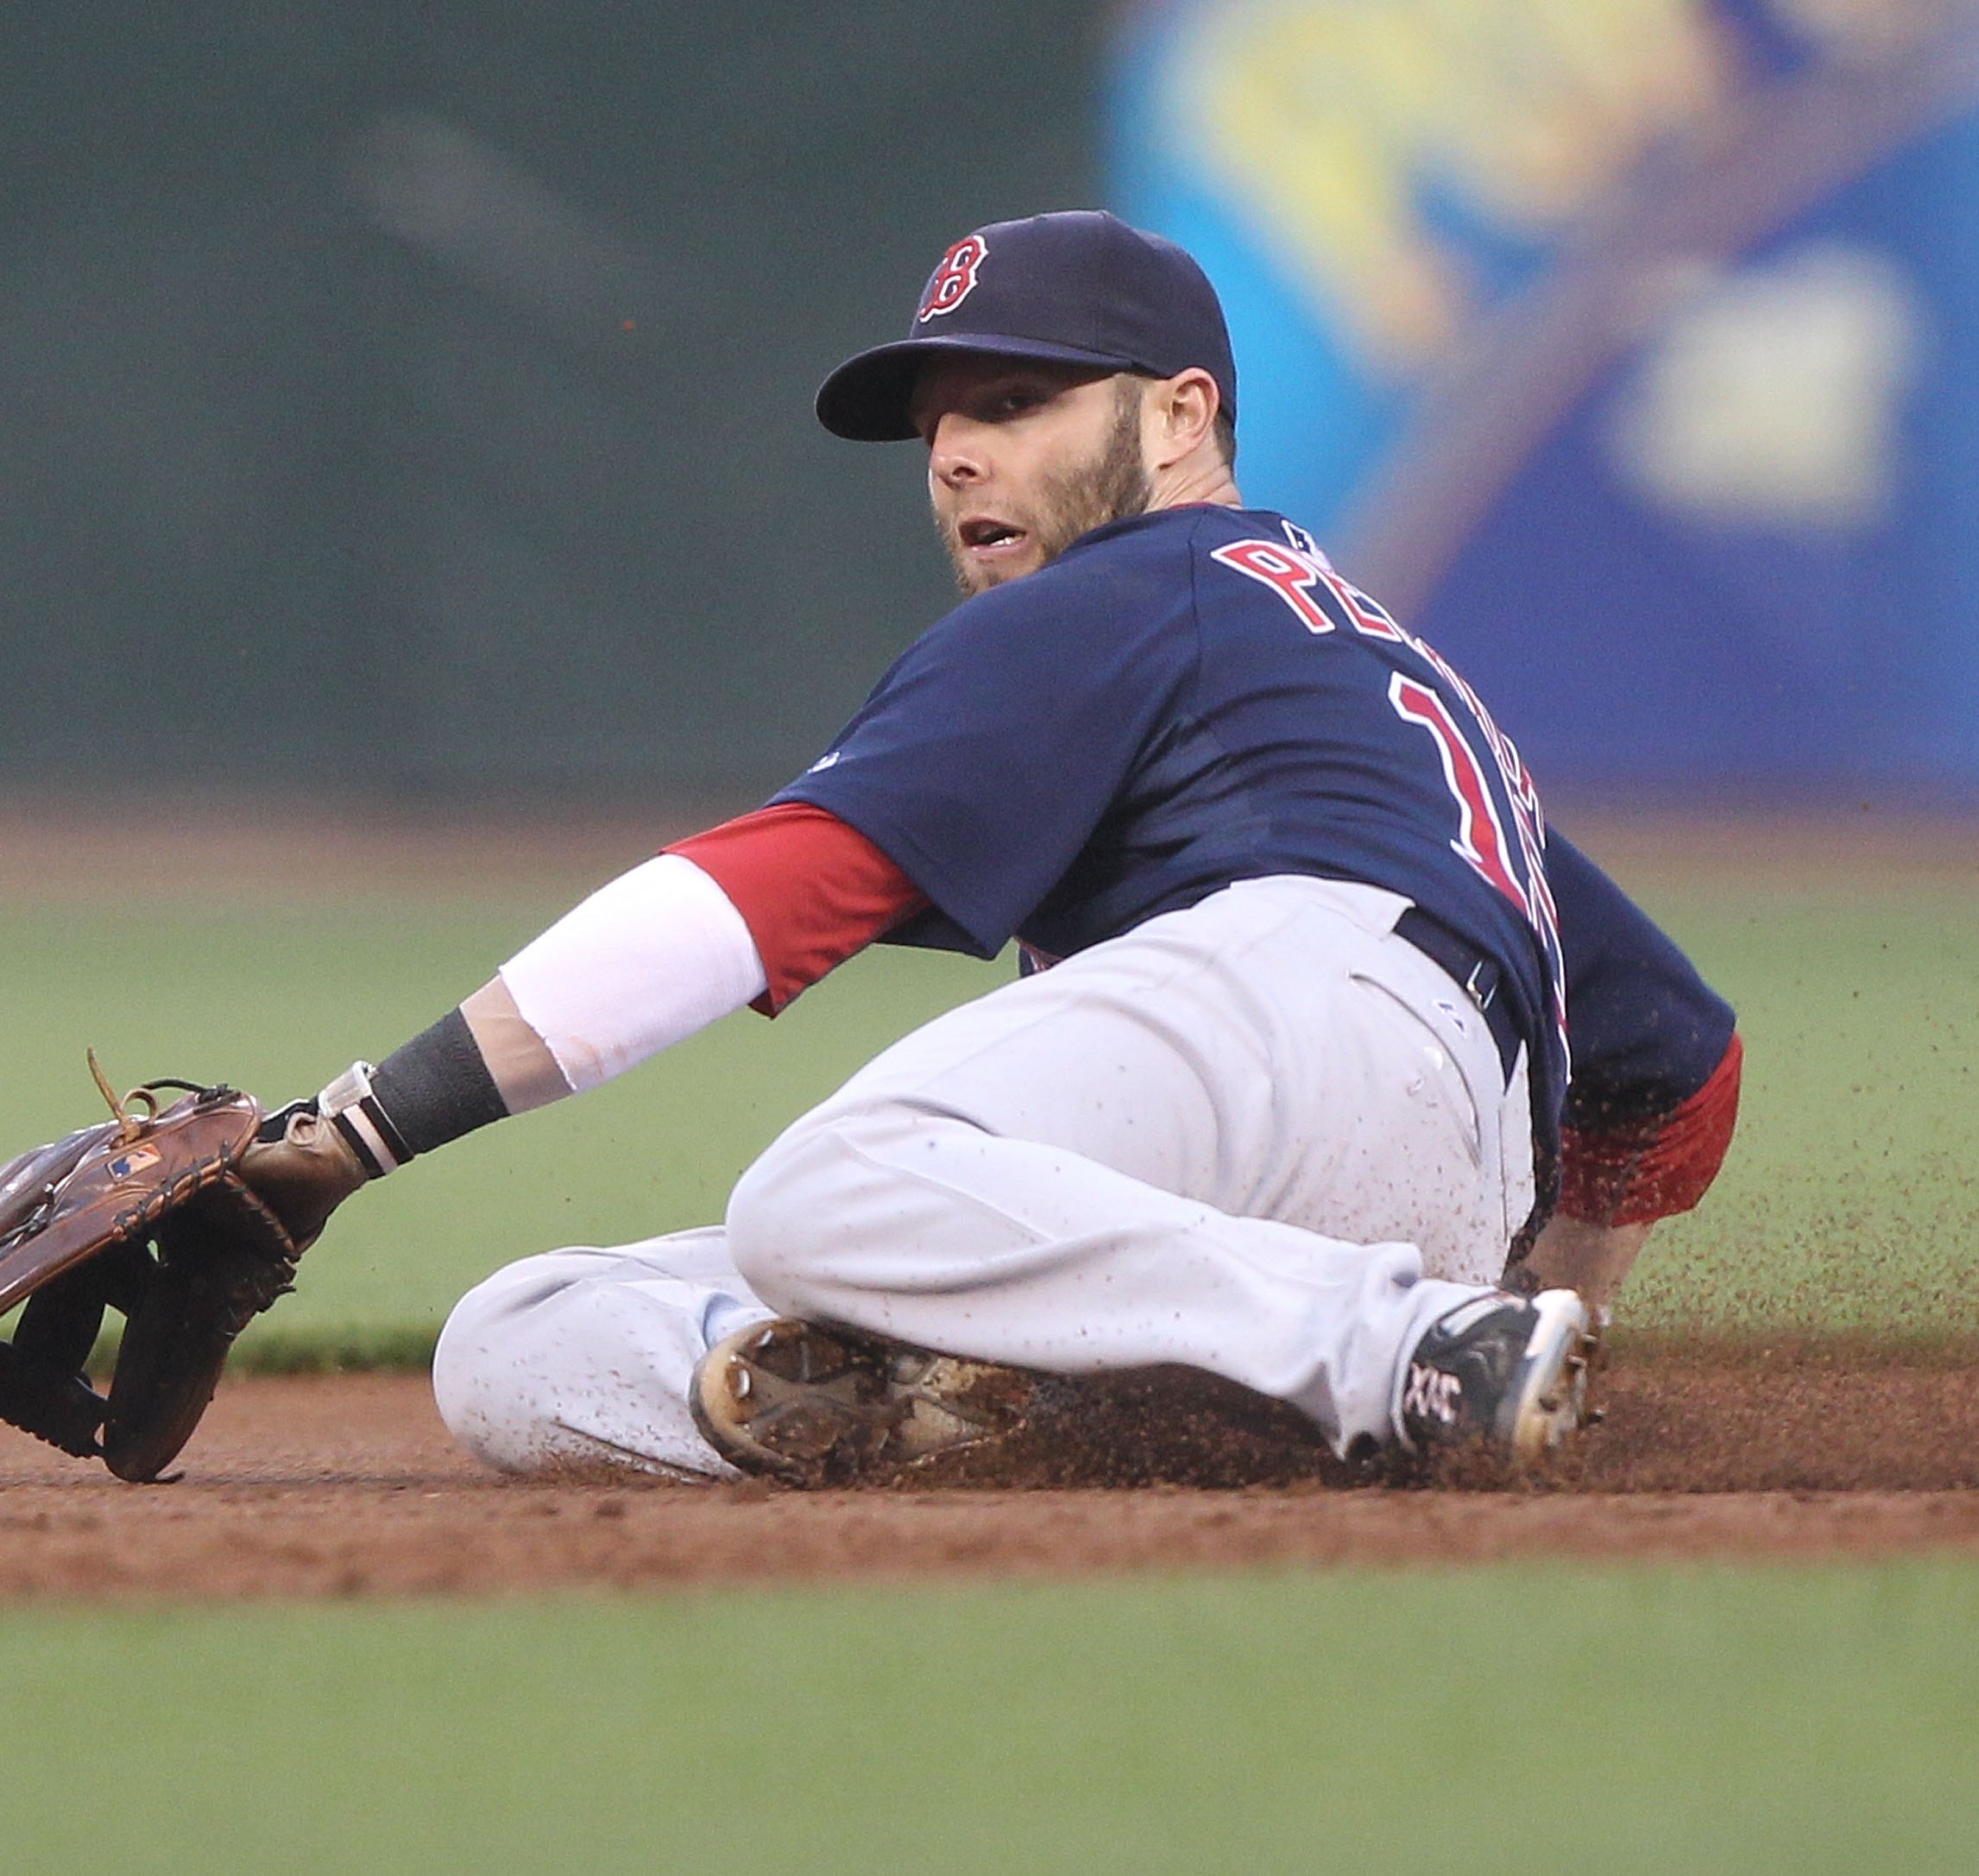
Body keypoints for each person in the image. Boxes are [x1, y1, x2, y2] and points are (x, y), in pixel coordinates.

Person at [243, 210, 1743, 1484]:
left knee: (828, 1185)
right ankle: (899, 1410)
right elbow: (1677, 1064)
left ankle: (1396, 1340)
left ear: (1178, 415)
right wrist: (1555, 1306)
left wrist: (353, 1131)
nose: (957, 454)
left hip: (1299, 1011)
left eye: (1017, 402)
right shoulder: (1340, 671)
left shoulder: (1146, 581)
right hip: (1365, 1156)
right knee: (513, 1335)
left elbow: (766, 896)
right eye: (939, 424)